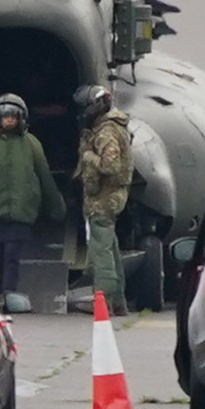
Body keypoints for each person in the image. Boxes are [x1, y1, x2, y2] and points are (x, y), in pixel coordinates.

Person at [0, 93, 66, 304]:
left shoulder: (31, 144)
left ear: (21, 118)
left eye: (13, 116)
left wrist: (56, 207)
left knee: (12, 253)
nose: (8, 120)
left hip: (21, 212)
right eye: (4, 116)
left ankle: (9, 291)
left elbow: (44, 175)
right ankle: (1, 291)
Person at [72, 84, 133, 317]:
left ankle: (103, 300)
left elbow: (110, 165)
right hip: (112, 197)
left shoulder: (106, 131)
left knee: (101, 250)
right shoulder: (113, 126)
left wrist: (88, 157)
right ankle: (118, 301)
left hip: (104, 198)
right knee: (111, 247)